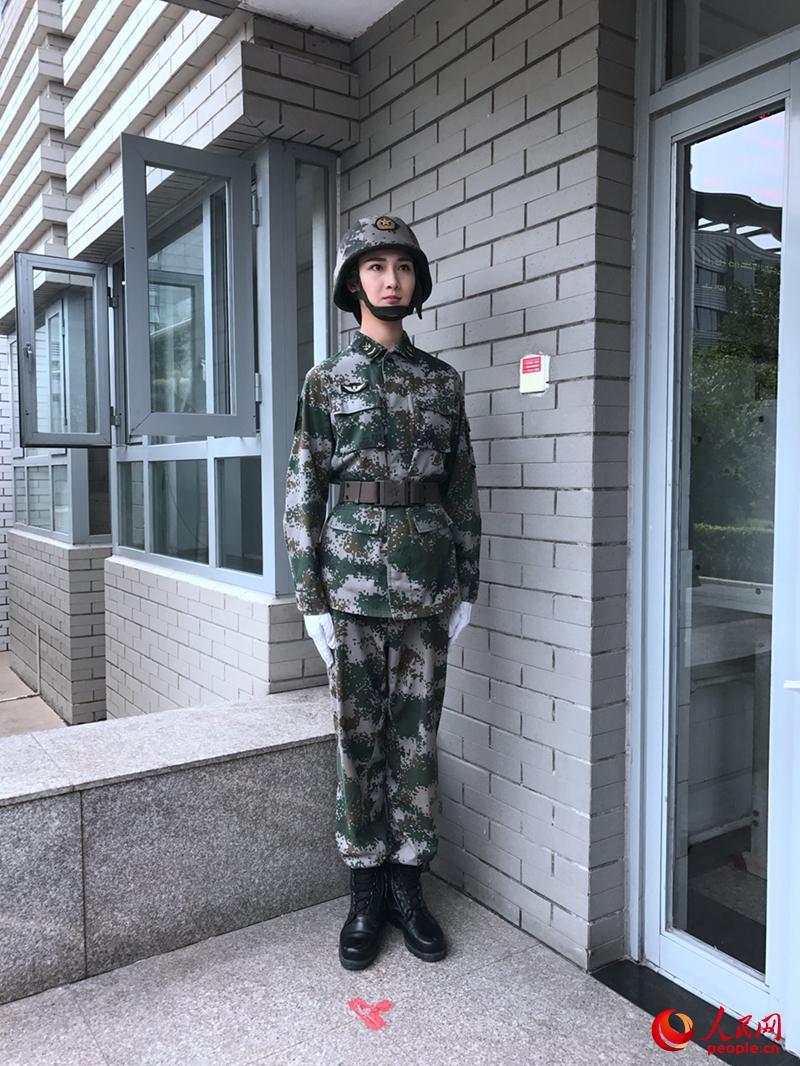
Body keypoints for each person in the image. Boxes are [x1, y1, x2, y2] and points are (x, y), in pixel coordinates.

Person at [283, 215, 481, 971]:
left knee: (417, 739)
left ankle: (408, 884)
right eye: (375, 266)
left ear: (416, 281)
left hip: (428, 587)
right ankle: (364, 890)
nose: (390, 279)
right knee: (358, 740)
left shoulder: (442, 381)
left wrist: (469, 583)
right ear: (353, 282)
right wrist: (310, 598)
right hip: (352, 589)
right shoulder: (326, 381)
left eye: (402, 266)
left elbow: (462, 489)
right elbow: (304, 490)